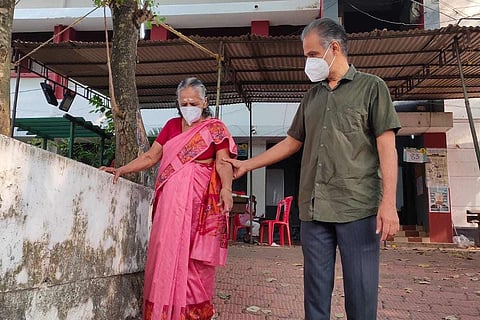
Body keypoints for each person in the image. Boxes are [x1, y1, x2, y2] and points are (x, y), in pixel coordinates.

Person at [224, 18, 401, 320]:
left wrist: (388, 204)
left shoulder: (372, 88)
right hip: (314, 210)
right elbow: (292, 142)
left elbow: (387, 147)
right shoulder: (313, 96)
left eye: (311, 54)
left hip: (357, 208)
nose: (308, 62)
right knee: (315, 295)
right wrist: (246, 164)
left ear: (334, 48)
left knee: (361, 292)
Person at [100, 77, 237, 320]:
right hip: (169, 203)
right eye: (183, 102)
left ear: (205, 102)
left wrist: (226, 188)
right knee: (164, 250)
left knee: (195, 258)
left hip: (199, 204)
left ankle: (192, 313)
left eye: (193, 102)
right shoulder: (172, 126)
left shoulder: (214, 128)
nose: (188, 107)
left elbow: (223, 162)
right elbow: (151, 157)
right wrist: (122, 169)